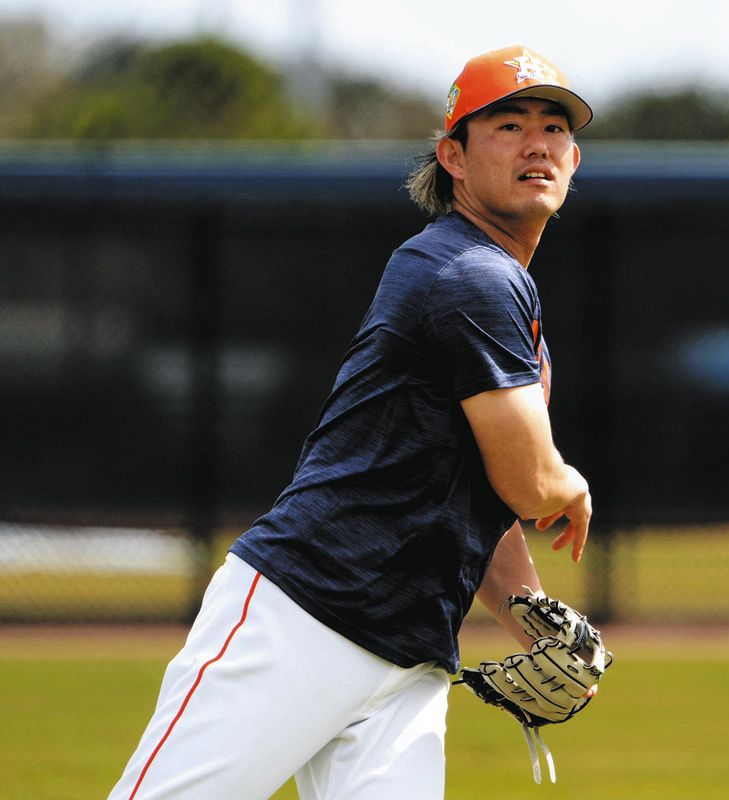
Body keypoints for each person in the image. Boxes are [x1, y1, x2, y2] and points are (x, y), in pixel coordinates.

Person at [109, 44, 598, 800]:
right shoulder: (472, 276)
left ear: (573, 157)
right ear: (454, 158)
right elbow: (530, 483)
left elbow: (489, 498)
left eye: (555, 128)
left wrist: (526, 612)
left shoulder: (498, 289)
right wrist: (567, 481)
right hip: (304, 617)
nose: (537, 143)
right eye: (507, 125)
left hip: (407, 651)